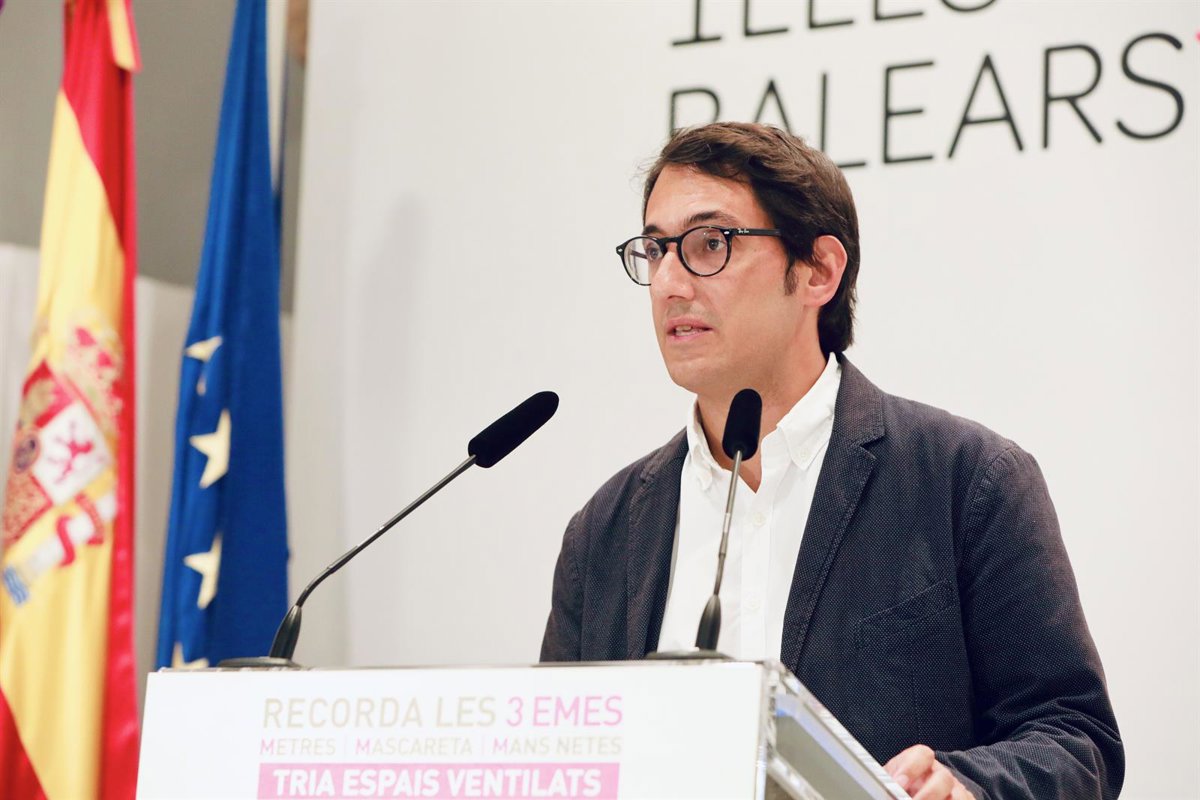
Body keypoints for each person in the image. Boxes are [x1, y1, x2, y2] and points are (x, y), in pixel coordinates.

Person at [540, 122, 1123, 799]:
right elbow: (562, 760)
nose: (668, 281)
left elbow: (1075, 739)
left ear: (818, 269)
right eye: (655, 249)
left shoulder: (966, 480)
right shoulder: (605, 533)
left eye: (709, 244)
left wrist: (964, 787)